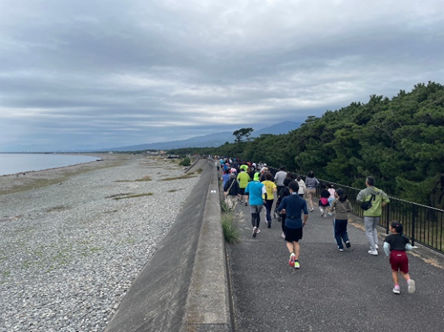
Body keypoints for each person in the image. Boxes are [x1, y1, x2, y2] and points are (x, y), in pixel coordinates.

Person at [277, 181, 309, 269]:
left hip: (288, 222)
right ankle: (297, 261)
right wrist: (304, 221)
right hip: (298, 222)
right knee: (296, 242)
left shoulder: (286, 199)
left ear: (290, 189)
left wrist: (284, 211)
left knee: (288, 241)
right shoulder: (302, 200)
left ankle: (292, 253)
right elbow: (306, 213)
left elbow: (279, 209)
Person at [357, 176, 390, 255]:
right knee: (374, 228)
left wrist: (364, 203)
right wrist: (380, 206)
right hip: (377, 213)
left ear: (367, 182)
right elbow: (387, 200)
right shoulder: (380, 191)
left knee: (368, 231)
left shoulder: (364, 191)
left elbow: (358, 200)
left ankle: (373, 249)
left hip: (368, 213)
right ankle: (375, 243)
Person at [383, 222, 415, 294]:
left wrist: (388, 254)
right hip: (403, 255)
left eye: (390, 227)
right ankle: (409, 281)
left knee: (394, 271)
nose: (390, 227)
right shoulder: (404, 238)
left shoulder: (389, 238)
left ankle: (397, 287)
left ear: (393, 229)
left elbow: (385, 246)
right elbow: (409, 247)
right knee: (404, 271)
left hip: (394, 255)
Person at [245, 172, 266, 238]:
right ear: (259, 177)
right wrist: (265, 199)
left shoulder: (249, 184)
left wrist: (247, 199)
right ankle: (257, 228)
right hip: (259, 202)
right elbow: (265, 193)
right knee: (258, 215)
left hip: (252, 202)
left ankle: (254, 227)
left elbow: (246, 192)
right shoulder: (261, 184)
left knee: (253, 216)